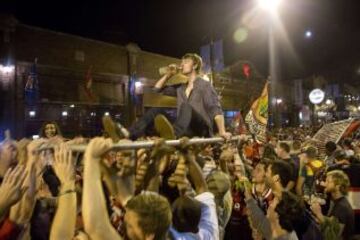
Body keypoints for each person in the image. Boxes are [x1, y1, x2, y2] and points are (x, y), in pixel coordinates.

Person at [128, 53, 231, 140]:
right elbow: (156, 89)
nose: (182, 64)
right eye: (182, 62)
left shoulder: (205, 85)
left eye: (186, 62)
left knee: (186, 106)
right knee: (156, 110)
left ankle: (174, 135)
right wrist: (168, 75)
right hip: (185, 128)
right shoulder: (181, 88)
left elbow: (215, 109)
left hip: (201, 129)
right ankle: (130, 135)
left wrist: (222, 132)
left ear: (194, 66)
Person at [310, 170, 354, 240]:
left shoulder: (342, 207)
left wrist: (319, 214)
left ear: (337, 187)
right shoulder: (336, 201)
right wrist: (317, 218)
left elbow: (334, 236)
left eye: (328, 181)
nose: (324, 184)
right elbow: (331, 223)